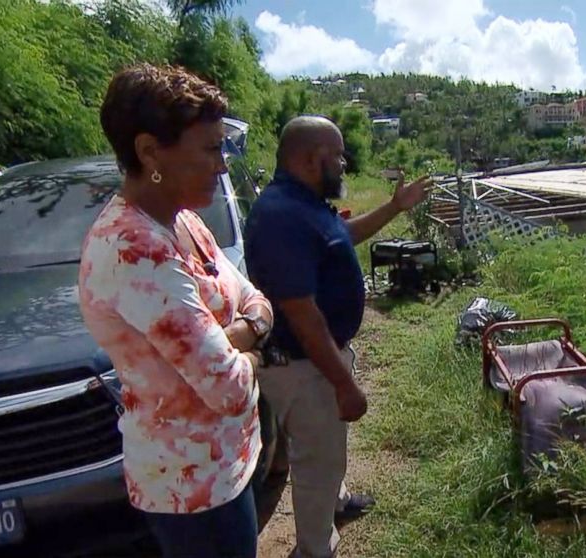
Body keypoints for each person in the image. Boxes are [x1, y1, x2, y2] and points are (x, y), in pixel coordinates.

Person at [78, 63, 274, 558]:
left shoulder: (184, 222)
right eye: (210, 149)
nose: (223, 165)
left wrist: (238, 333)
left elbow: (256, 299)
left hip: (226, 464)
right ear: (149, 152)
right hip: (190, 492)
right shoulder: (133, 248)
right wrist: (254, 352)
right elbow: (229, 389)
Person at [245, 116, 432, 558]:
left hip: (313, 361)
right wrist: (344, 384)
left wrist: (394, 207)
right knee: (317, 462)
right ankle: (314, 549)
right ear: (314, 159)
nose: (344, 164)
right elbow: (302, 314)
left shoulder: (302, 204)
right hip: (304, 364)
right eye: (339, 155)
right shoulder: (282, 216)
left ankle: (338, 502)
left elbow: (342, 237)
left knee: (326, 447)